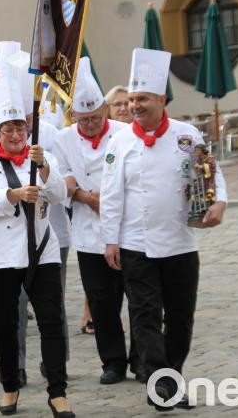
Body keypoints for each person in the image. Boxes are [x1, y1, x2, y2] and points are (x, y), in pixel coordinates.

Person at [100, 48, 228, 411]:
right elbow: (111, 194)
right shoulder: (121, 141)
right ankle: (163, 386)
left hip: (181, 242)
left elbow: (212, 174)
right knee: (145, 318)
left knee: (181, 319)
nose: (136, 105)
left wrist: (219, 204)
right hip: (136, 243)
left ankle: (171, 376)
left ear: (161, 99)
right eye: (132, 99)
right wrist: (110, 239)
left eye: (143, 99)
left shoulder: (188, 135)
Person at [0, 65, 75, 417]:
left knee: (51, 320)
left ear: (28, 129)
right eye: (8, 128)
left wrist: (44, 168)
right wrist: (12, 194)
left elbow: (59, 194)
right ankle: (10, 386)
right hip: (2, 256)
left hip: (42, 250)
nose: (15, 134)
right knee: (7, 324)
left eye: (20, 128)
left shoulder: (42, 157)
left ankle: (57, 391)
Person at [53, 57, 139, 385]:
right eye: (83, 119)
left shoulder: (124, 133)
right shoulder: (63, 140)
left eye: (95, 117)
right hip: (89, 235)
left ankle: (141, 358)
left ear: (105, 109)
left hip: (128, 231)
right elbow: (64, 183)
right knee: (102, 304)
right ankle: (113, 362)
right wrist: (90, 199)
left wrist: (109, 201)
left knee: (137, 299)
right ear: (74, 116)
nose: (90, 124)